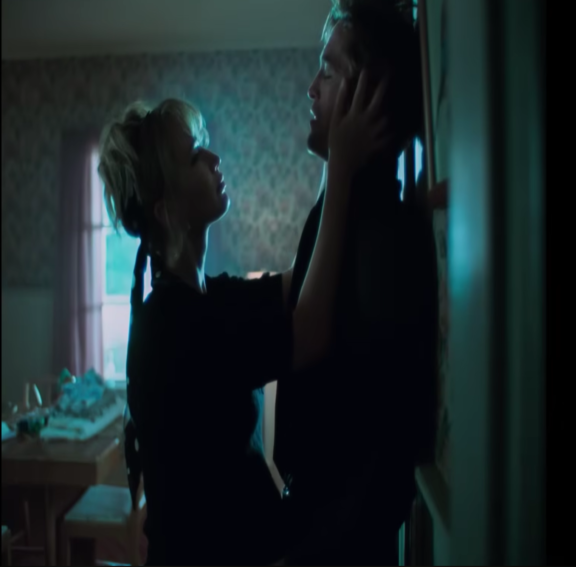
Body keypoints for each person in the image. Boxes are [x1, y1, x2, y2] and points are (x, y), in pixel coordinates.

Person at [97, 74, 389, 566]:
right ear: (166, 211)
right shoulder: (177, 324)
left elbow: (300, 280)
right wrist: (338, 168)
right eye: (195, 156)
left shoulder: (205, 296)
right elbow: (309, 334)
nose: (214, 159)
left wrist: (334, 164)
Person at [273, 0, 438, 566]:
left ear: (369, 94)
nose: (311, 87)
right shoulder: (343, 211)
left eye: (328, 71)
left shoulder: (381, 239)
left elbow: (384, 451)